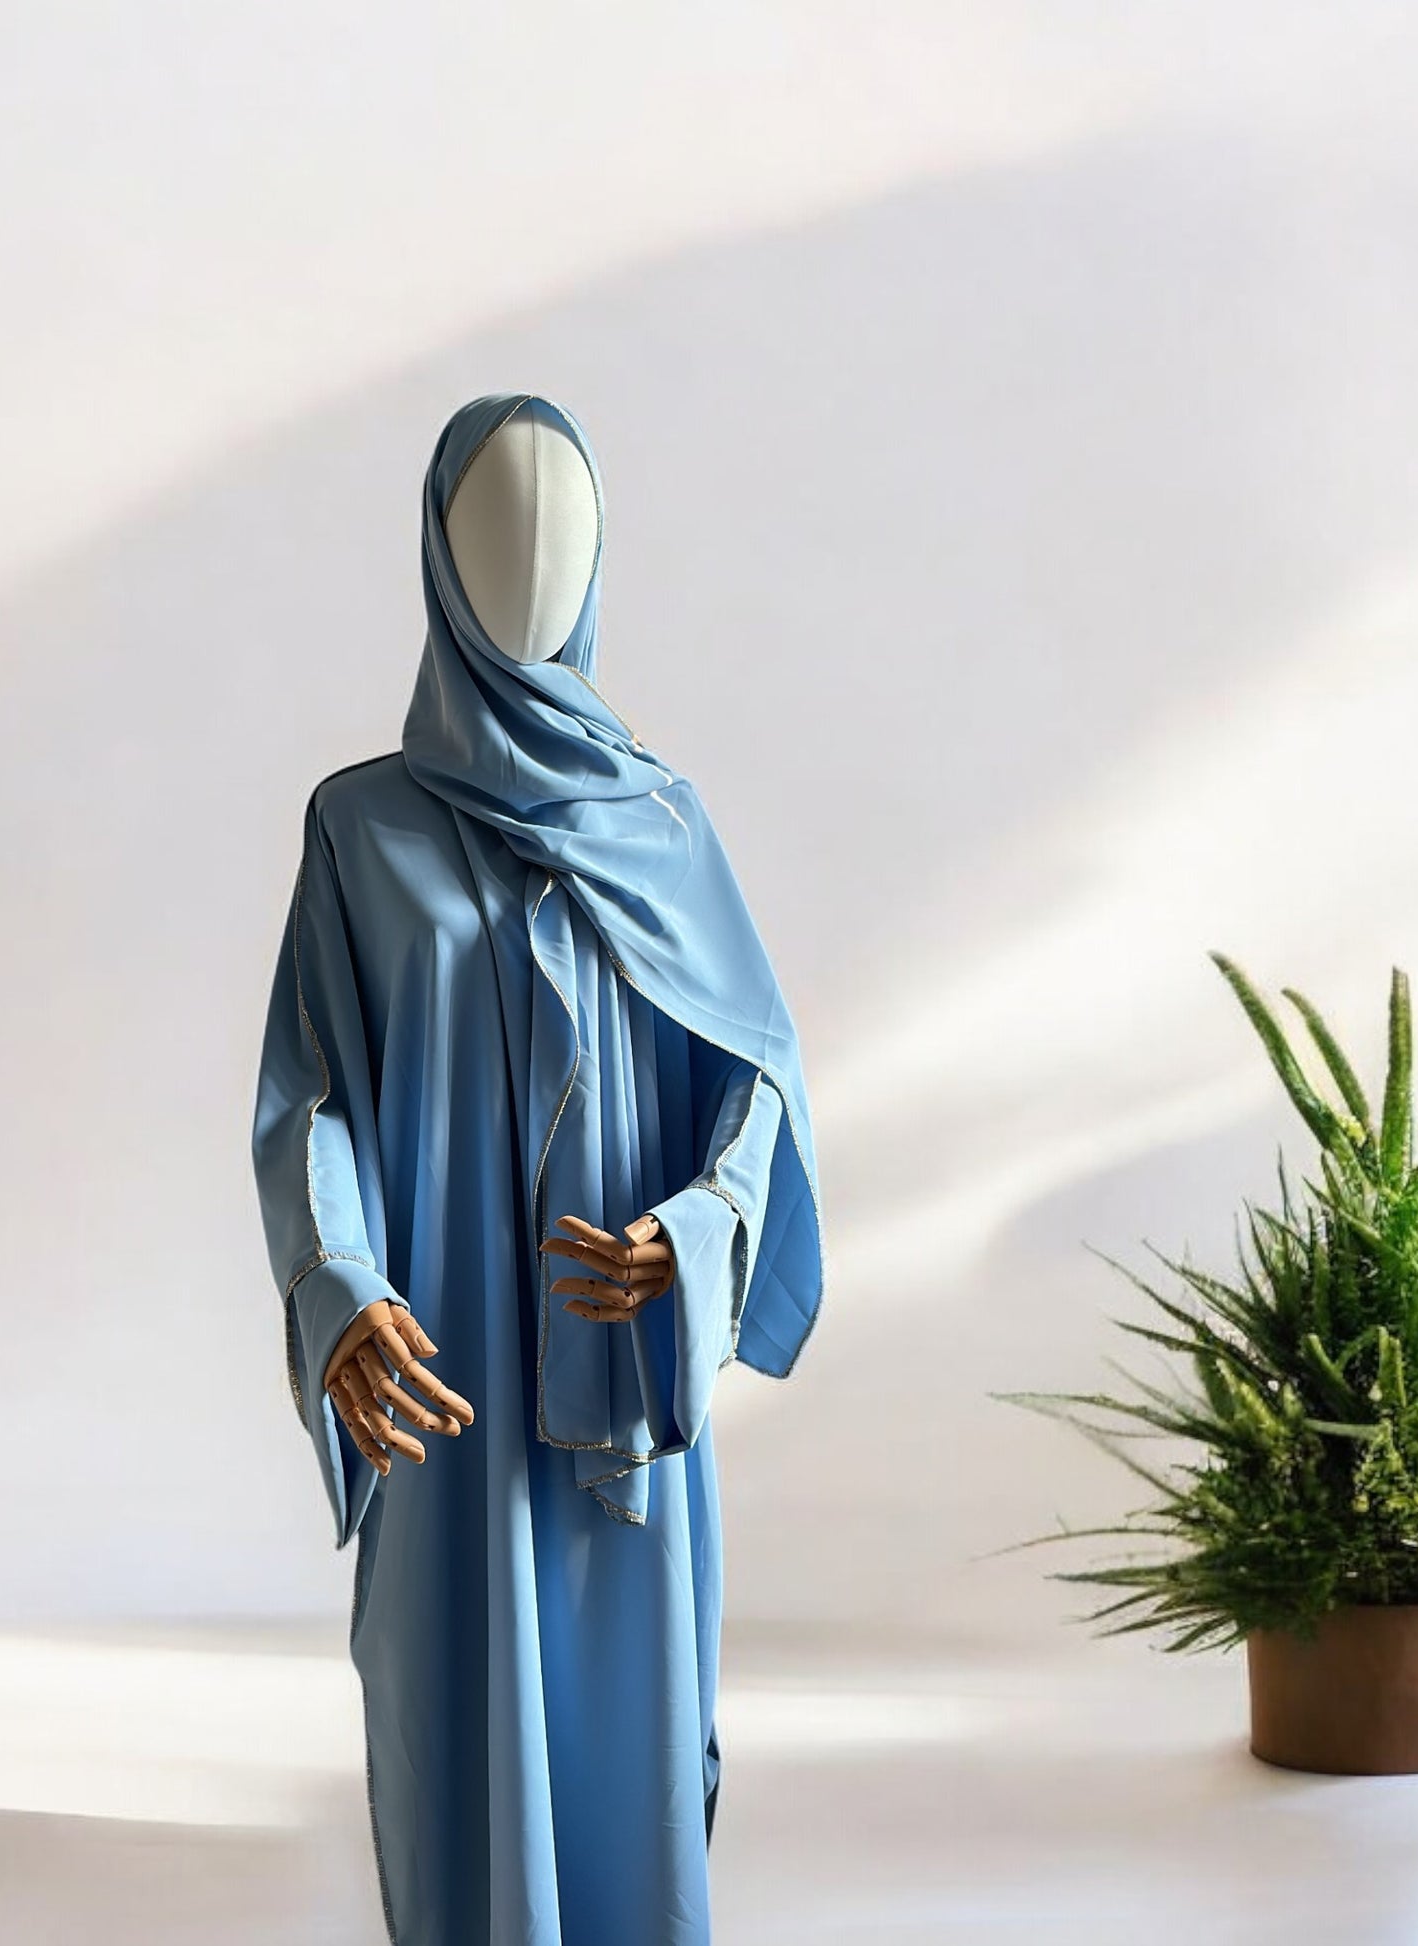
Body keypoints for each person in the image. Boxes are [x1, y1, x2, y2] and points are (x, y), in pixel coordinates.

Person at [252, 392, 823, 1946]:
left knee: (630, 1752)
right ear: (435, 556)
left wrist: (694, 1233)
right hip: (442, 1376)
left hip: (621, 1381)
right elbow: (311, 1099)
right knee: (452, 1728)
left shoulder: (662, 825)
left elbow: (757, 1079)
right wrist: (338, 1285)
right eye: (490, 524)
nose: (530, 557)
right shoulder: (360, 831)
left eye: (562, 525)